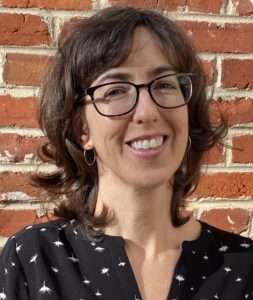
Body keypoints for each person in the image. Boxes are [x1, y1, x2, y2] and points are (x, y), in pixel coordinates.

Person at [0, 6, 253, 300]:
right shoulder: (34, 260)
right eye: (115, 91)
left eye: (164, 84)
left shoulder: (244, 268)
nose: (147, 112)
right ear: (83, 129)